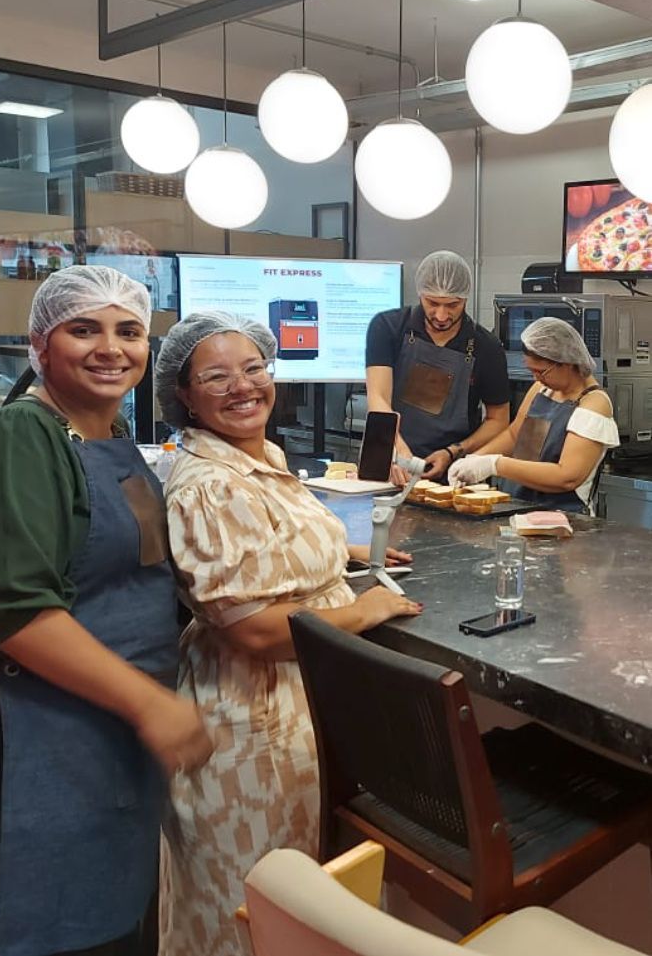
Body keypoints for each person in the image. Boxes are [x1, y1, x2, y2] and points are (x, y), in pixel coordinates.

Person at [0, 265, 212, 956]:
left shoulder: (109, 438)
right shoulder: (17, 439)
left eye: (129, 330)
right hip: (10, 745)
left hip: (90, 743)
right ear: (41, 344)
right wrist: (150, 703)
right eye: (84, 329)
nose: (111, 347)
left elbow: (127, 574)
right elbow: (14, 612)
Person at [154, 311, 422, 956]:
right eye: (216, 376)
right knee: (253, 896)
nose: (243, 387)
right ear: (184, 396)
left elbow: (267, 543)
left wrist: (338, 555)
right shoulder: (209, 484)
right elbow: (255, 631)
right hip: (254, 710)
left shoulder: (257, 455)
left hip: (301, 699)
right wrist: (365, 609)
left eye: (253, 368)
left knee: (305, 891)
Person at [448, 317, 619, 513]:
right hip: (517, 506)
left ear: (566, 362)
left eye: (541, 372)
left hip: (562, 518)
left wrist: (494, 464)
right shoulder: (542, 389)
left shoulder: (593, 405)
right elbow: (514, 435)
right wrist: (473, 461)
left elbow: (567, 477)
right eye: (532, 372)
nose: (536, 378)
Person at [365, 250, 510, 480]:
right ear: (420, 293)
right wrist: (397, 450)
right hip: (389, 457)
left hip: (453, 473)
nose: (441, 316)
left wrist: (454, 452)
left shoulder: (487, 347)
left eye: (452, 305)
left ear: (465, 298)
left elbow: (499, 420)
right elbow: (378, 397)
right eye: (432, 303)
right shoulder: (387, 327)